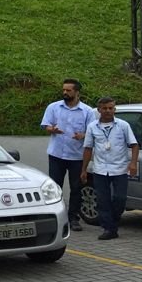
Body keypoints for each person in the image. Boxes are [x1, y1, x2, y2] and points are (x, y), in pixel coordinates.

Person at [40, 79, 95, 232]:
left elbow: (92, 133)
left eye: (69, 90)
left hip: (76, 156)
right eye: (64, 90)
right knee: (55, 186)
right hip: (57, 154)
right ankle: (56, 216)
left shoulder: (87, 111)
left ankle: (73, 218)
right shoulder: (54, 107)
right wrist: (52, 129)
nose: (65, 93)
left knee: (76, 188)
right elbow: (45, 125)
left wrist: (82, 135)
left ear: (77, 93)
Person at [80, 97, 139, 240]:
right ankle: (109, 229)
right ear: (99, 110)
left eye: (111, 108)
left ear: (114, 109)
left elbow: (134, 145)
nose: (108, 111)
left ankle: (112, 221)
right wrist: (84, 169)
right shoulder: (92, 127)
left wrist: (133, 163)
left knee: (120, 199)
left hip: (119, 169)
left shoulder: (123, 125)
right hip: (100, 169)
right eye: (104, 108)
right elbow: (88, 148)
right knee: (102, 200)